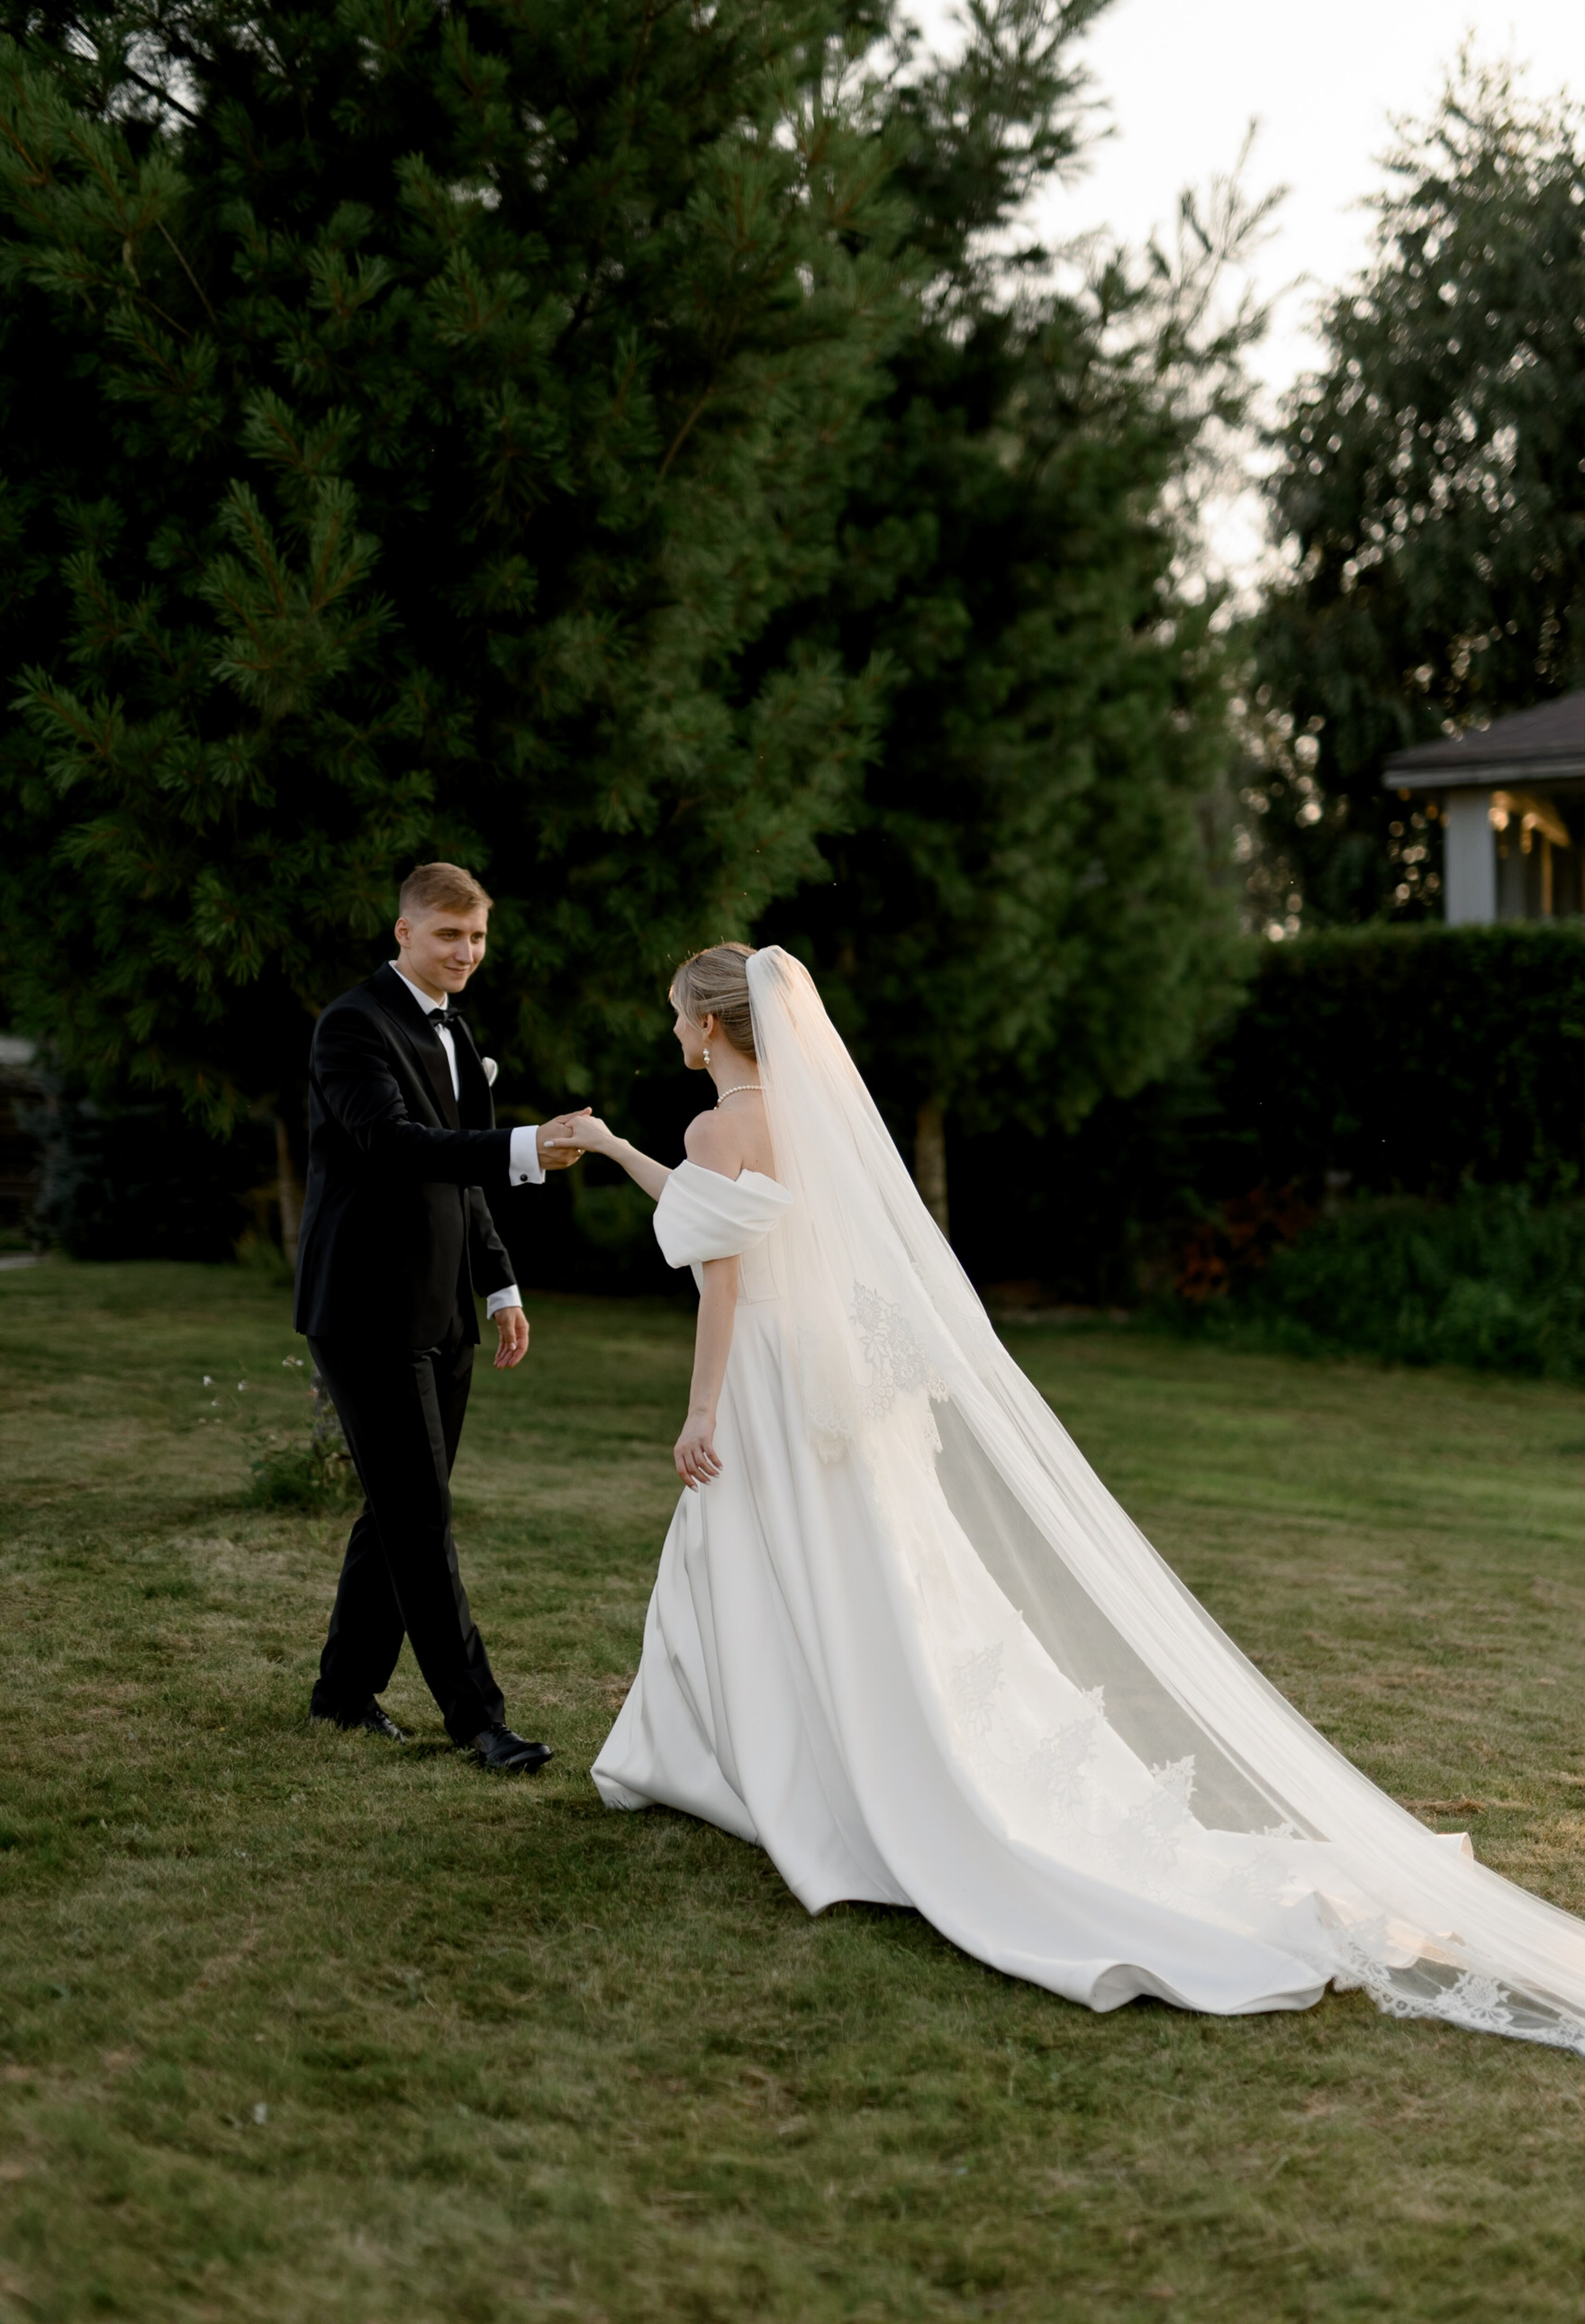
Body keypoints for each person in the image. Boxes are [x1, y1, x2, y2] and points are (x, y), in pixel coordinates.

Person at [572, 942, 1585, 2052]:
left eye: (678, 1014)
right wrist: (617, 1146)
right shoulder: (797, 1119)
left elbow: (721, 1275)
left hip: (768, 1374)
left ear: (711, 1027)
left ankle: (773, 1769)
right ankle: (727, 1754)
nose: (673, 1030)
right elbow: (724, 1220)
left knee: (766, 1560)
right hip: (829, 1378)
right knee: (850, 1570)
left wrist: (701, 1406)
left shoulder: (720, 1125)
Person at [293, 861, 589, 1771]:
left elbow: (459, 1184)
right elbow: (393, 1146)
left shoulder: (458, 1029)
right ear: (403, 933)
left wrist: (498, 1283)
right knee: (420, 1516)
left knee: (397, 1511)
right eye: (448, 935)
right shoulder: (352, 1025)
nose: (466, 952)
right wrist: (526, 1147)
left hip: (442, 1307)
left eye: (478, 937)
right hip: (364, 1306)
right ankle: (479, 1721)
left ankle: (343, 1692)